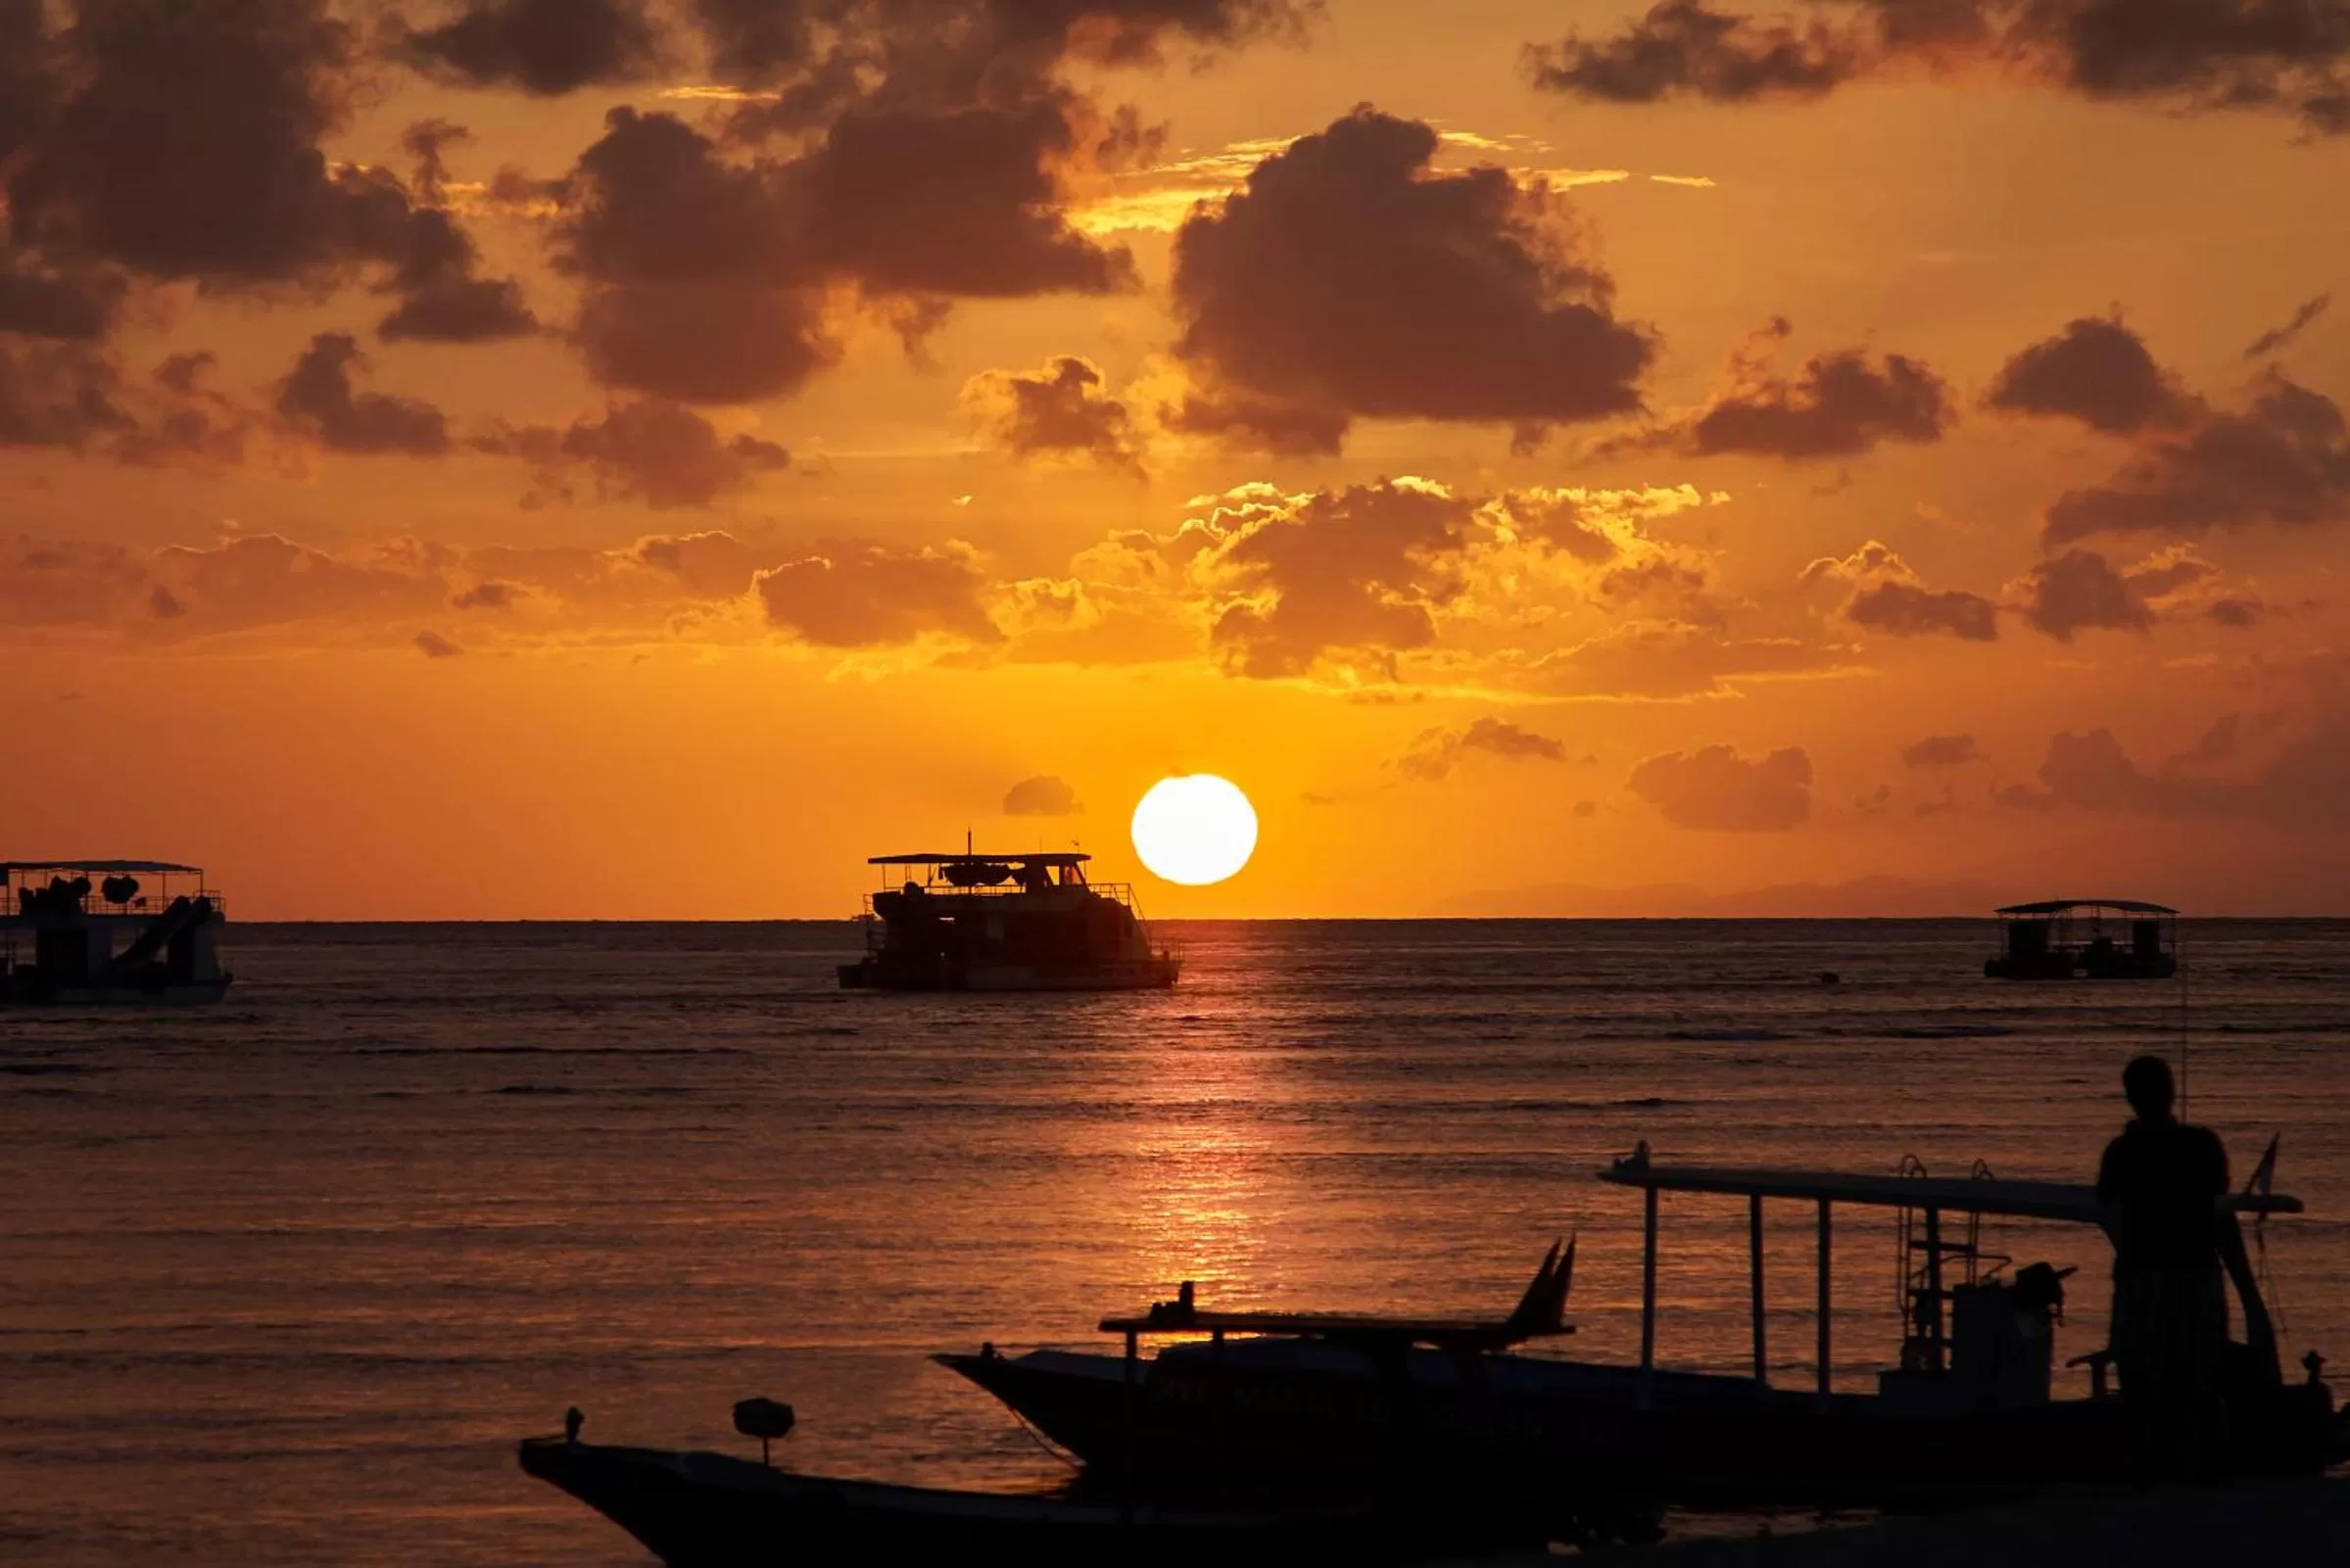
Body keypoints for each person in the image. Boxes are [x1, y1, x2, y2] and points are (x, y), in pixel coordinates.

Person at [2094, 1054, 2230, 1403]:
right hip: (2195, 1275)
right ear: (2170, 1092)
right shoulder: (2203, 1144)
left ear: (2130, 1098)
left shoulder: (2122, 1151)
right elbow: (2220, 1195)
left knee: (2141, 1385)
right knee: (2198, 1382)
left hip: (2142, 1278)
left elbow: (2105, 1196)